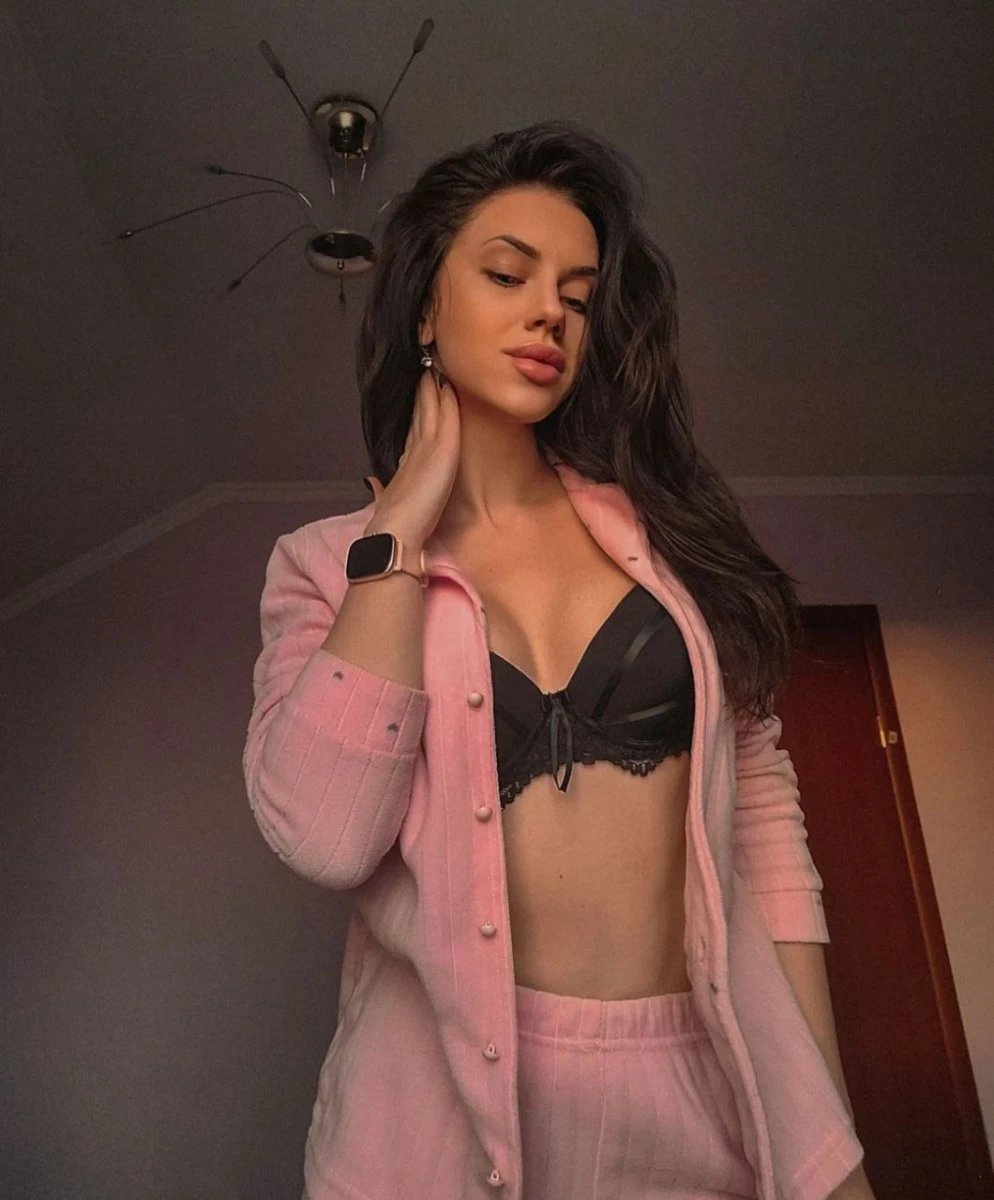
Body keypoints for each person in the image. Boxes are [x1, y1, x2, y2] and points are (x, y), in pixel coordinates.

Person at [243, 120, 875, 1200]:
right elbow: (328, 837)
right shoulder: (325, 566)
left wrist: (824, 1133)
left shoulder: (664, 540)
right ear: (426, 308)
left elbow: (763, 821)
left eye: (577, 298)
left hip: (701, 1090)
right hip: (432, 1126)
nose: (550, 313)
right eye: (507, 274)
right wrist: (396, 536)